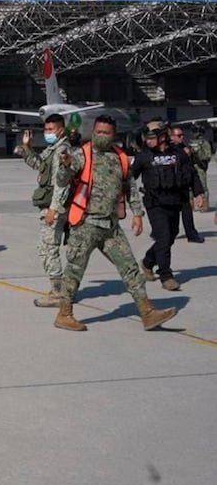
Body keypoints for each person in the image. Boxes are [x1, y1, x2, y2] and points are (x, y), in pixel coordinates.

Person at [52, 115, 179, 331]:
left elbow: (130, 187)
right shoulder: (81, 154)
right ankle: (64, 314)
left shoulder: (120, 157)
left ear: (114, 135)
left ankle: (147, 312)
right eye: (98, 132)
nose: (101, 136)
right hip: (85, 224)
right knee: (75, 270)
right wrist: (65, 165)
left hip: (110, 227)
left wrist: (137, 214)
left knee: (130, 268)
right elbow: (62, 180)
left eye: (106, 133)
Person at [132, 121, 205, 292]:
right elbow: (129, 178)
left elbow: (192, 174)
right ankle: (166, 275)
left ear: (163, 136)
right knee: (163, 237)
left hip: (175, 201)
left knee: (170, 236)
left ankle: (148, 262)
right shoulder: (144, 156)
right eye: (147, 137)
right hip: (155, 203)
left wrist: (198, 193)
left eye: (152, 137)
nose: (148, 140)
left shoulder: (178, 154)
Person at [19, 115, 71, 307]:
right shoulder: (52, 149)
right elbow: (39, 165)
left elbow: (61, 182)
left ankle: (58, 293)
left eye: (51, 129)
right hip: (50, 206)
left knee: (49, 248)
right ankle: (58, 288)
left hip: (55, 207)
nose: (48, 133)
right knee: (44, 248)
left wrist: (54, 209)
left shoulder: (62, 150)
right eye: (46, 129)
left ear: (61, 130)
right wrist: (27, 148)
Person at [172, 125, 207, 243]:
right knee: (171, 214)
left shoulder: (184, 150)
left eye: (182, 135)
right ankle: (168, 232)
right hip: (169, 188)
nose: (182, 137)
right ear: (171, 137)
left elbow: (192, 171)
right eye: (179, 135)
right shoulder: (166, 151)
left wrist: (198, 192)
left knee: (187, 211)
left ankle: (191, 234)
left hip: (182, 187)